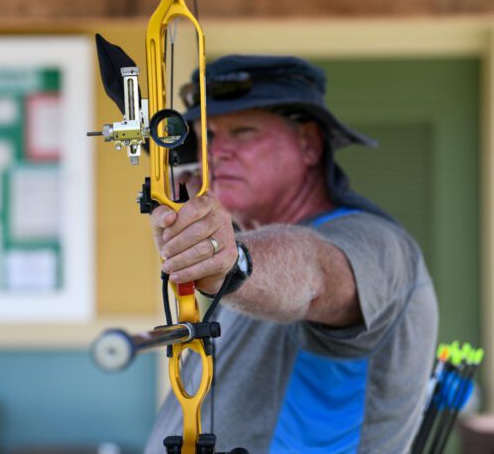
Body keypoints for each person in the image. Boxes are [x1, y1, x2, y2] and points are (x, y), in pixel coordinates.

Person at [144, 55, 439, 453]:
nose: (216, 152)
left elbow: (315, 273)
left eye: (243, 131)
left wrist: (232, 263)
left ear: (309, 143)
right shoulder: (240, 247)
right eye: (207, 136)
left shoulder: (378, 242)